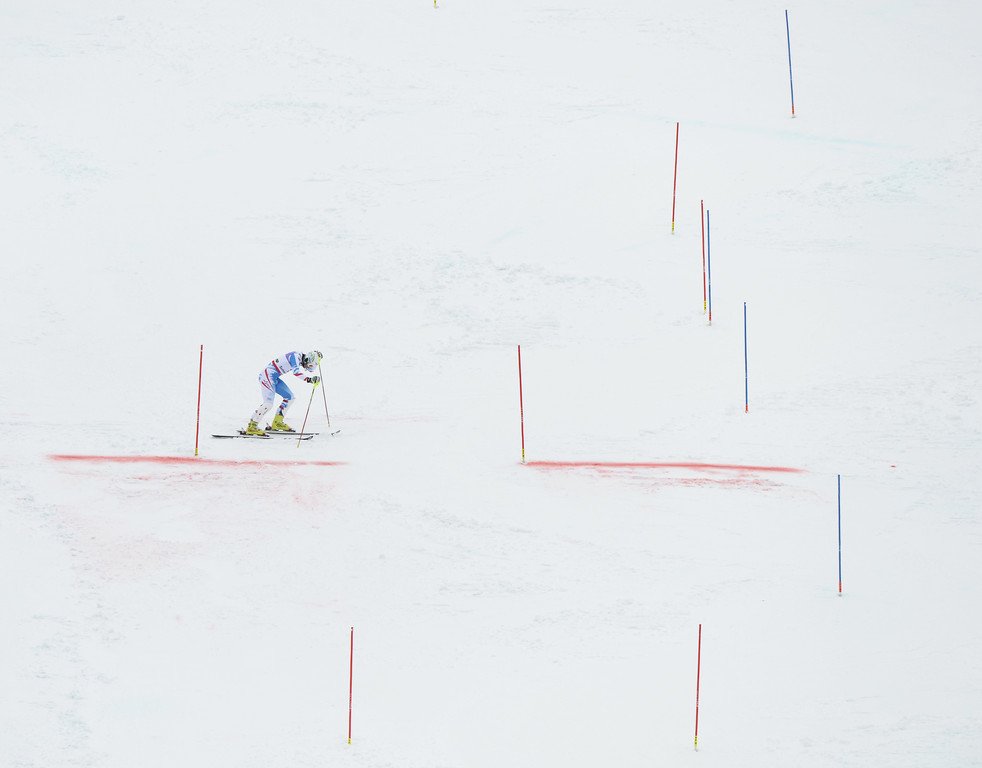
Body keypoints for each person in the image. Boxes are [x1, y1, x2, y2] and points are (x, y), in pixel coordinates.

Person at [245, 350, 323, 435]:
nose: (306, 367)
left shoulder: (299, 358)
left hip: (274, 377)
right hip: (267, 375)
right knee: (268, 404)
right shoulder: (296, 356)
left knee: (290, 397)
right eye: (309, 365)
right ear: (307, 359)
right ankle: (252, 426)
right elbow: (296, 372)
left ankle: (277, 422)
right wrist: (309, 380)